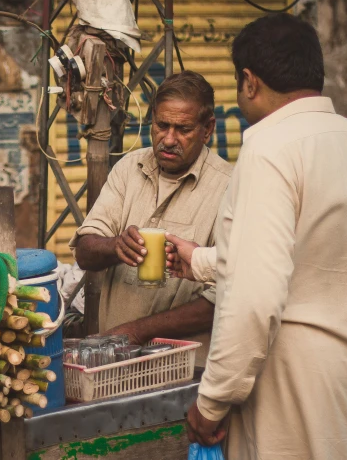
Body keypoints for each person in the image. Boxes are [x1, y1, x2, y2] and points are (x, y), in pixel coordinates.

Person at [166, 13, 347, 459]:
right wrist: (201, 261)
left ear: (249, 81)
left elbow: (254, 297)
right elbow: (322, 255)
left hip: (292, 390)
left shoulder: (269, 147)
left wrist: (212, 402)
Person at [69, 70, 232, 360]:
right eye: (161, 125)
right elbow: (84, 252)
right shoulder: (129, 168)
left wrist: (135, 332)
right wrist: (115, 246)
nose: (168, 140)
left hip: (186, 371)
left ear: (207, 129)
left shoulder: (230, 187)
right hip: (117, 363)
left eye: (182, 129)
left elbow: (223, 298)